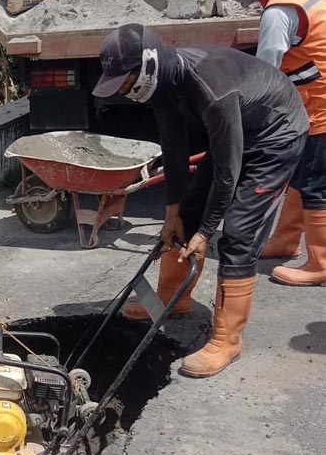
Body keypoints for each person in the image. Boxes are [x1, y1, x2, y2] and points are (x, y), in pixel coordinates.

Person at [93, 24, 308, 377]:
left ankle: (227, 340)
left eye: (126, 82)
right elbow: (174, 149)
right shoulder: (162, 86)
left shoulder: (209, 86)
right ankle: (171, 299)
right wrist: (172, 212)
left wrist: (207, 232)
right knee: (190, 209)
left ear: (146, 66)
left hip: (275, 136)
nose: (126, 91)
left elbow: (228, 171)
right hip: (237, 132)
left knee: (239, 231)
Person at [235, 0, 326, 286]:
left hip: (316, 107)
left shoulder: (278, 12)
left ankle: (319, 263)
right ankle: (286, 242)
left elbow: (266, 73)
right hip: (315, 100)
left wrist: (251, 120)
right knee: (300, 177)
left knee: (315, 184)